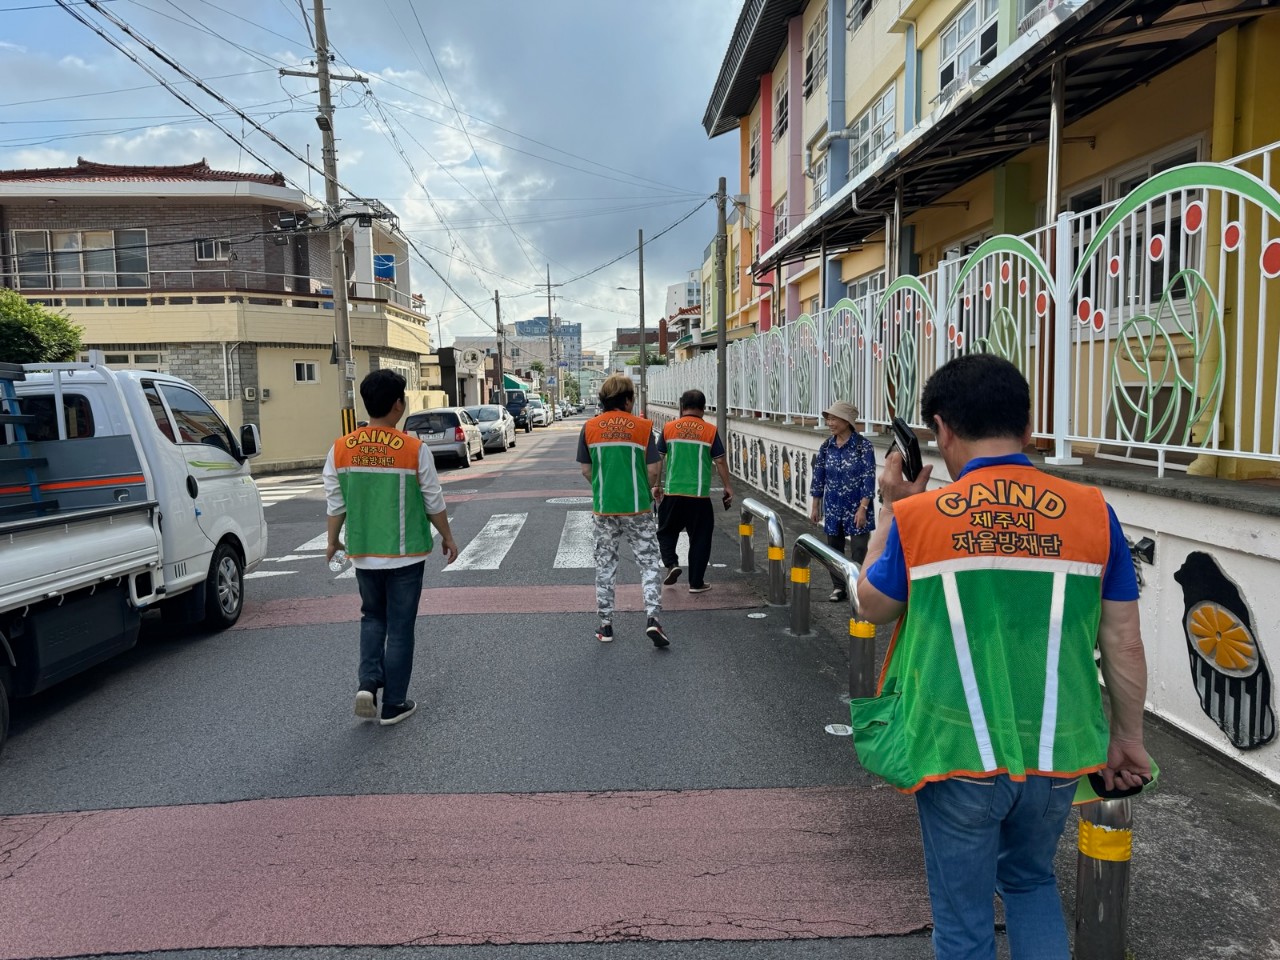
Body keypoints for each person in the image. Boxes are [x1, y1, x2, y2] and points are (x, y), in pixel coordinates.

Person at [855, 354, 1149, 960]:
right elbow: (1123, 641)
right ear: (1028, 423)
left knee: (963, 925)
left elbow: (872, 607)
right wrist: (1128, 737)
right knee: (1030, 880)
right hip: (1057, 751)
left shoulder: (920, 518)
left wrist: (889, 510)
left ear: (941, 430)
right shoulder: (1095, 514)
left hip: (956, 750)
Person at [323, 370, 460, 726]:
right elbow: (433, 499)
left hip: (364, 552)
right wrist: (447, 536)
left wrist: (332, 540)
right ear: (398, 404)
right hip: (406, 553)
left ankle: (368, 683)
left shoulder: (341, 448)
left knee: (372, 617)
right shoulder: (414, 449)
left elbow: (335, 502)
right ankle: (394, 704)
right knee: (400, 627)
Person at [576, 373, 669, 648]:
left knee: (605, 565)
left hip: (605, 509)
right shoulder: (642, 428)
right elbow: (653, 469)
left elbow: (585, 469)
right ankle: (653, 619)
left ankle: (605, 625)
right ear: (628, 400)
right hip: (638, 507)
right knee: (649, 562)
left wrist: (603, 486)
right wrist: (644, 487)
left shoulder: (590, 428)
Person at [654, 389, 734, 594]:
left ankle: (672, 564)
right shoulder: (709, 430)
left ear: (682, 406)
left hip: (672, 494)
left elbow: (658, 459)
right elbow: (720, 461)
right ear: (704, 408)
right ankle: (696, 583)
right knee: (700, 538)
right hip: (699, 496)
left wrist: (656, 485)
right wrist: (727, 486)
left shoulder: (669, 428)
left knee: (665, 532)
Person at [809, 400, 876, 602]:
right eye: (828, 418)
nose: (829, 422)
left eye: (834, 418)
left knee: (858, 549)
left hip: (857, 508)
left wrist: (863, 508)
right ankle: (838, 587)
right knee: (833, 550)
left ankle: (857, 588)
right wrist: (815, 506)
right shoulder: (827, 446)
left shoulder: (863, 446)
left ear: (847, 421)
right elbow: (818, 476)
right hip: (833, 506)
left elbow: (869, 478)